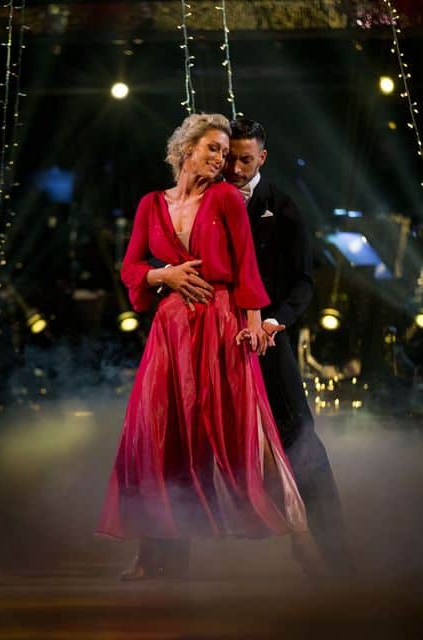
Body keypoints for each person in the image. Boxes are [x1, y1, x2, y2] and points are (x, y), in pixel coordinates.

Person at [97, 114, 311, 579]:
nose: (221, 159)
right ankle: (152, 554)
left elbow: (246, 267)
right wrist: (163, 274)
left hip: (220, 322)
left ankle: (301, 537)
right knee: (159, 435)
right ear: (185, 148)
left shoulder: (226, 198)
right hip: (171, 331)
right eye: (213, 148)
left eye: (225, 151)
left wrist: (253, 324)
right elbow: (131, 268)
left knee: (244, 432)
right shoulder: (151, 204)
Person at [147, 118, 351, 576]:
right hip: (205, 339)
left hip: (266, 342)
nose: (235, 169)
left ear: (262, 157)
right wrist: (164, 278)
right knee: (180, 440)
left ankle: (335, 555)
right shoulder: (202, 198)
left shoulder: (282, 206)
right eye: (228, 159)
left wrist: (273, 322)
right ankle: (166, 558)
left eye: (244, 159)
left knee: (300, 441)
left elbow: (303, 281)